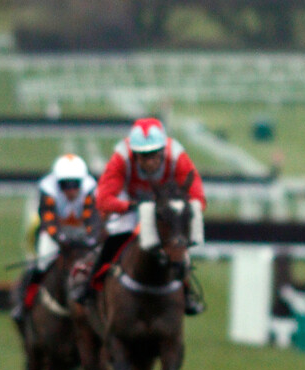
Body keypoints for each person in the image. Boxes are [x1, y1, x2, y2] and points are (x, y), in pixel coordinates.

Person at [77, 118, 207, 315]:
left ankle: (186, 291)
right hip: (131, 202)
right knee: (116, 237)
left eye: (154, 154)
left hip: (164, 206)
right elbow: (103, 200)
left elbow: (198, 197)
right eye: (143, 155)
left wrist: (179, 212)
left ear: (163, 150)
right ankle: (92, 286)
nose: (150, 161)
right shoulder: (121, 158)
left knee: (177, 245)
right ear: (134, 153)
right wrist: (130, 206)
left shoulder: (178, 156)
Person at [11, 154, 99, 323]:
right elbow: (48, 218)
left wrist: (91, 236)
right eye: (65, 185)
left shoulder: (90, 188)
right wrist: (60, 237)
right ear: (57, 183)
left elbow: (93, 218)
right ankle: (24, 304)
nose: (71, 190)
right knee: (40, 265)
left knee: (97, 263)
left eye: (75, 185)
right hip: (55, 235)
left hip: (81, 234)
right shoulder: (48, 188)